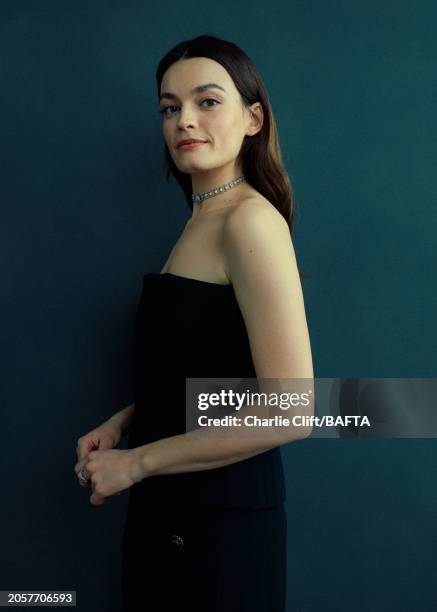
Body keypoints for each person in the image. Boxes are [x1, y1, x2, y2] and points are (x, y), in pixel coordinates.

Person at [74, 33, 314, 611]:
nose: (185, 120)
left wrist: (135, 463)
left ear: (253, 118)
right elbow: (204, 363)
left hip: (217, 529)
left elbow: (293, 409)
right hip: (170, 510)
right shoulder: (200, 222)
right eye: (169, 107)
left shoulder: (249, 223)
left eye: (207, 101)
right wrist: (129, 419)